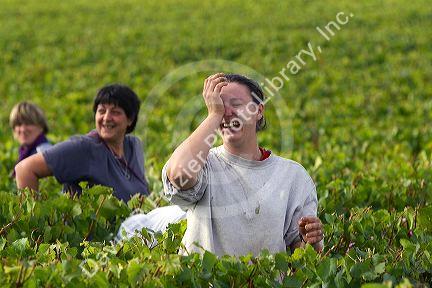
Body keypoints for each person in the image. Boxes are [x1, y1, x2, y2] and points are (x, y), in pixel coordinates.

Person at [162, 73, 324, 256]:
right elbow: (179, 175)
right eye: (220, 105)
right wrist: (214, 115)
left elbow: (300, 254)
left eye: (236, 104)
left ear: (259, 111)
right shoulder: (204, 164)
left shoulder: (293, 176)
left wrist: (310, 241)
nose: (227, 112)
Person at [15, 84, 149, 202]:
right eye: (101, 111)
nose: (107, 118)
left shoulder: (133, 146)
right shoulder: (84, 148)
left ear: (130, 119)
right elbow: (24, 169)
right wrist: (36, 225)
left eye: (115, 112)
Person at [9, 101, 52, 177]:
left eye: (28, 123)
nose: (23, 129)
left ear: (41, 126)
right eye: (18, 124)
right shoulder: (24, 152)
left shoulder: (44, 153)